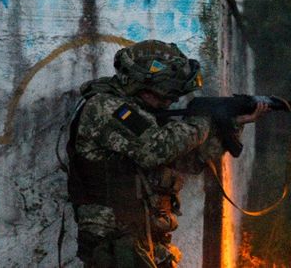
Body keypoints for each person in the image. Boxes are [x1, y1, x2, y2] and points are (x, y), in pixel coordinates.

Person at [67, 40, 267, 267]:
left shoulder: (146, 117)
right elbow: (156, 150)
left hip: (147, 239)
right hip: (113, 240)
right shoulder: (105, 107)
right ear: (138, 84)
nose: (169, 101)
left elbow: (190, 162)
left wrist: (232, 124)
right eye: (163, 95)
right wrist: (206, 119)